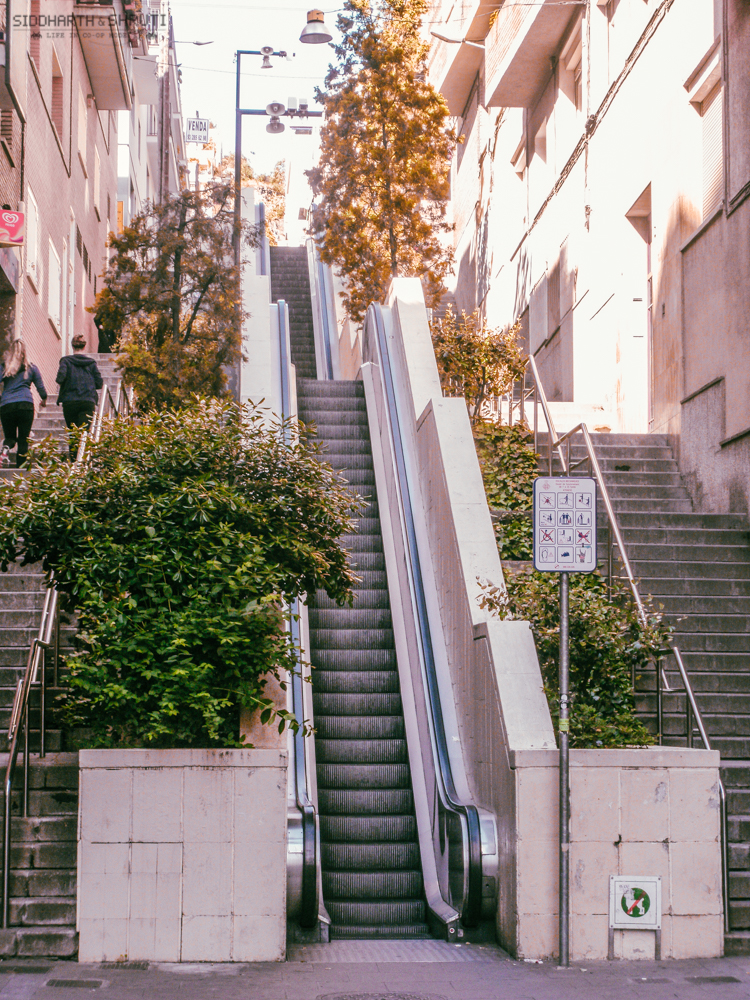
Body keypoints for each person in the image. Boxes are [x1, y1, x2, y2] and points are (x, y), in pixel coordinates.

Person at [0, 339, 48, 468]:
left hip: (6, 406)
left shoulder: (4, 367)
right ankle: (20, 473)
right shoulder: (32, 368)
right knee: (23, 440)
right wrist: (43, 400)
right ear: (25, 352)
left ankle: (5, 448)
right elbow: (41, 390)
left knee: (10, 437)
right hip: (25, 406)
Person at [56, 334, 103, 459]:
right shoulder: (91, 363)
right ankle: (81, 462)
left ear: (72, 346)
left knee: (73, 434)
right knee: (83, 434)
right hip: (87, 401)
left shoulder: (66, 361)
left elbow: (60, 378)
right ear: (85, 346)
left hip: (70, 402)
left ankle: (73, 463)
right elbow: (99, 383)